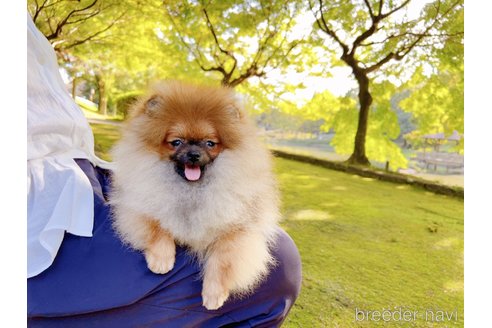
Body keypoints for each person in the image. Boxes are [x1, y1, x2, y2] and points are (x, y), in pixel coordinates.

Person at [26, 13, 302, 327]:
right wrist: (157, 236)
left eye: (210, 143)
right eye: (176, 142)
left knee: (270, 250)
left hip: (75, 175)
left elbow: (244, 227)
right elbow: (134, 209)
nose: (194, 153)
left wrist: (222, 269)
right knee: (281, 264)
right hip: (37, 206)